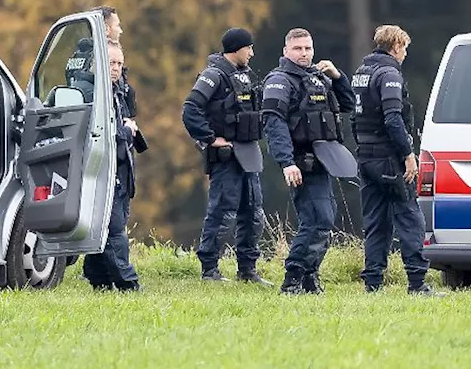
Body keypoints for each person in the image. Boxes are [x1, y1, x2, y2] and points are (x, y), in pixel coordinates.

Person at [261, 28, 357, 295]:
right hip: (300, 164)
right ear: (286, 51)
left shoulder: (319, 78)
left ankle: (309, 278)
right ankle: (292, 279)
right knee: (318, 220)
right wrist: (286, 162)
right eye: (298, 49)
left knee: (323, 220)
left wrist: (337, 77)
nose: (304, 54)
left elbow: (348, 105)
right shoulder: (280, 81)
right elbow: (274, 122)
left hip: (323, 163)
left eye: (307, 48)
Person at [350, 25, 437, 295]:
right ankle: (417, 283)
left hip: (366, 156)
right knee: (409, 217)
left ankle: (373, 283)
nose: (405, 54)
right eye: (405, 48)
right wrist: (407, 155)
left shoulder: (361, 74)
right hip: (389, 158)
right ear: (396, 46)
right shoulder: (389, 74)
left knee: (376, 221)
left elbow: (355, 118)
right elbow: (393, 118)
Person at [181, 27, 270, 285]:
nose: (252, 53)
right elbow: (190, 109)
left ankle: (247, 270)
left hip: (249, 154)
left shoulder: (245, 76)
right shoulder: (213, 75)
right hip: (226, 157)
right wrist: (210, 139)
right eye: (248, 48)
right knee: (222, 213)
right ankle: (210, 270)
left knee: (253, 214)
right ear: (236, 48)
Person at [82, 40, 142, 292]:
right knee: (114, 228)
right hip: (105, 168)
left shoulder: (118, 91)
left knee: (104, 227)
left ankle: (100, 280)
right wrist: (128, 131)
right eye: (110, 63)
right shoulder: (93, 93)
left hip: (119, 167)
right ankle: (128, 283)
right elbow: (104, 135)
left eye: (119, 63)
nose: (116, 68)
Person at [66, 6, 137, 114]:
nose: (120, 31)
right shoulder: (98, 59)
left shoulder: (78, 56)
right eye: (117, 26)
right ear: (106, 29)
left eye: (119, 64)